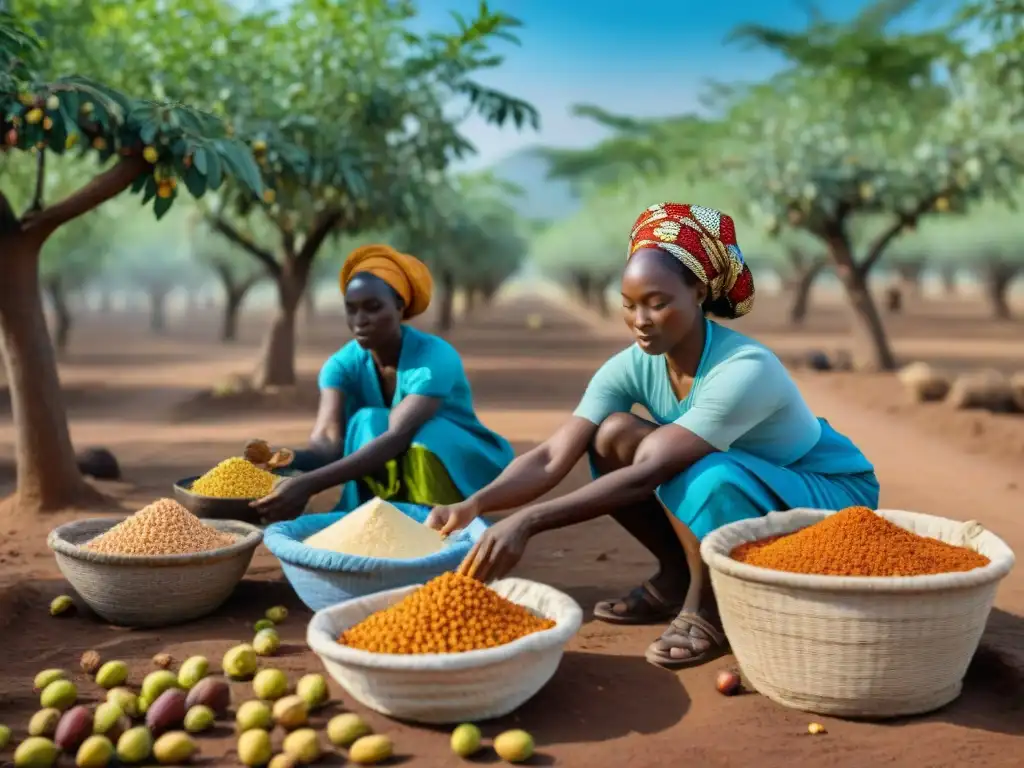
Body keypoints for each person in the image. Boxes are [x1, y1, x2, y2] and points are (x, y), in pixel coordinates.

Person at [425, 203, 879, 669]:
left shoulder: (745, 369)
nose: (640, 319)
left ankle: (710, 608)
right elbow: (552, 456)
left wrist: (528, 522)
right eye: (629, 305)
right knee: (611, 436)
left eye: (657, 303)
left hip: (827, 496)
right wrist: (477, 504)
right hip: (739, 483)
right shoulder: (635, 363)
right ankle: (677, 576)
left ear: (698, 292)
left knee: (694, 467)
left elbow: (653, 471)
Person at [252, 244, 515, 521]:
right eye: (351, 309)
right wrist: (277, 462)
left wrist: (309, 485)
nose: (360, 321)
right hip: (396, 463)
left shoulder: (433, 358)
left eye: (373, 308)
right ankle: (380, 517)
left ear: (400, 307)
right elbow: (328, 444)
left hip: (455, 461)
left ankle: (440, 521)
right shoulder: (341, 365)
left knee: (426, 435)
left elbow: (398, 437)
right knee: (366, 422)